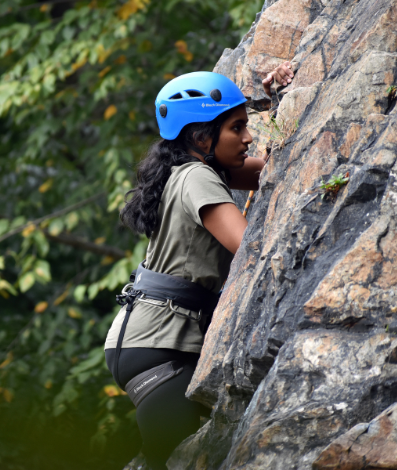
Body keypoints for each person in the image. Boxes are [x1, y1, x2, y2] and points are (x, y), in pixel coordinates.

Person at [104, 65, 291, 470]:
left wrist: (275, 100)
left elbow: (275, 167)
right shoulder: (198, 178)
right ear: (201, 136)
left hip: (146, 341)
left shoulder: (186, 172)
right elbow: (250, 247)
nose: (247, 137)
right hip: (161, 346)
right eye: (237, 128)